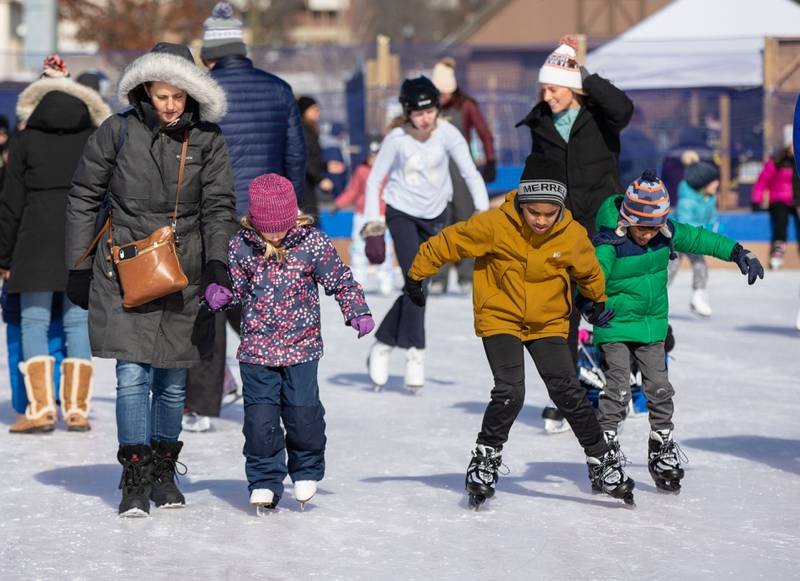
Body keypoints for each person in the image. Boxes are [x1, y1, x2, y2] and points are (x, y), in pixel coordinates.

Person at [65, 42, 237, 517]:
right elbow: (84, 195)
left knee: (174, 379)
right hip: (124, 265)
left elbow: (220, 206)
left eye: (178, 95)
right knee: (132, 373)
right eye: (162, 95)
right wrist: (77, 265)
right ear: (145, 89)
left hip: (186, 268)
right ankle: (136, 474)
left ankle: (163, 470)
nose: (170, 105)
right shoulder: (116, 132)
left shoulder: (208, 139)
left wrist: (219, 263)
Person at [403, 154, 634, 507]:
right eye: (534, 212)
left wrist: (597, 301)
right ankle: (485, 459)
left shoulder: (571, 234)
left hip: (548, 321)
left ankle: (601, 460)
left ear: (559, 207)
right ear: (522, 203)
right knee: (511, 391)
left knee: (568, 391)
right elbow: (447, 242)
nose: (541, 220)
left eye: (549, 213)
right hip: (500, 316)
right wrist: (417, 274)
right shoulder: (494, 225)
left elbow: (588, 270)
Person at [206, 173, 373, 511]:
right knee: (259, 420)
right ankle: (265, 479)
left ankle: (305, 469)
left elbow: (340, 280)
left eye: (280, 227)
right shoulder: (242, 245)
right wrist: (217, 294)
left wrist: (356, 310)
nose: (275, 235)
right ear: (254, 221)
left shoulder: (311, 243)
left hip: (301, 348)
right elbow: (234, 288)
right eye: (267, 228)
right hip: (256, 349)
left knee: (303, 416)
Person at [592, 170, 764, 493]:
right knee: (617, 388)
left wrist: (739, 252)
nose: (647, 235)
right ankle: (605, 450)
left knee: (659, 388)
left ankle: (661, 444)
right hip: (613, 324)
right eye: (642, 228)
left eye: (653, 227)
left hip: (652, 325)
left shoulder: (665, 233)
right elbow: (591, 276)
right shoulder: (610, 241)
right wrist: (589, 305)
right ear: (628, 218)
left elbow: (701, 239)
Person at [182, 1, 307, 433]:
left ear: (209, 52)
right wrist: (292, 215)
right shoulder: (278, 89)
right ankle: (280, 386)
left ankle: (201, 403)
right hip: (267, 215)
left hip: (212, 213)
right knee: (264, 301)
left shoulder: (199, 92)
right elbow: (296, 154)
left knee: (210, 306)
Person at [515, 35, 633, 429]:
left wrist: (581, 72)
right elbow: (536, 173)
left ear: (572, 87)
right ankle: (566, 396)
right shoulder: (541, 122)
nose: (547, 96)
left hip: (604, 227)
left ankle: (618, 385)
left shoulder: (600, 116)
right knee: (560, 314)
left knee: (606, 307)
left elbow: (624, 107)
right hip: (562, 230)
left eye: (553, 88)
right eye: (544, 89)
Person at [0, 58, 112, 433]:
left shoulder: (25, 140)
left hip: (31, 242)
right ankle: (77, 410)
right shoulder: (94, 138)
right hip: (80, 241)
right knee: (77, 322)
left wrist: (3, 255)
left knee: (32, 322)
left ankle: (40, 408)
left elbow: (10, 202)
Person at [362, 76, 489, 391]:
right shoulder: (396, 139)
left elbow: (469, 172)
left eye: (430, 110)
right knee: (415, 280)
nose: (425, 118)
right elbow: (374, 180)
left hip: (435, 216)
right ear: (407, 112)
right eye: (419, 113)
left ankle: (383, 342)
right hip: (401, 212)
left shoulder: (447, 134)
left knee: (419, 284)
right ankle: (415, 353)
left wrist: (483, 213)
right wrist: (374, 225)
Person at [429, 57, 496, 294]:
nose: (443, 98)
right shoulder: (430, 107)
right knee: (440, 222)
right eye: (439, 93)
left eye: (446, 93)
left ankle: (467, 274)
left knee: (466, 222)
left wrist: (490, 160)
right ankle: (439, 276)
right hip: (436, 168)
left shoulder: (466, 105)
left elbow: (485, 133)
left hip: (461, 169)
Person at [334, 137, 395, 296]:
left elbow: (395, 190)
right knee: (359, 248)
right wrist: (339, 204)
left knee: (384, 248)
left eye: (377, 156)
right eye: (371, 156)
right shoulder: (361, 171)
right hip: (362, 215)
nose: (374, 160)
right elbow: (353, 191)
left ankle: (385, 279)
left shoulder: (387, 172)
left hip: (382, 216)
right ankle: (358, 280)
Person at [668, 153, 722, 317]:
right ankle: (656, 297)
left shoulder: (709, 198)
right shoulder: (687, 201)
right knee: (670, 268)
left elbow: (712, 217)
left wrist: (715, 228)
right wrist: (705, 230)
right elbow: (686, 225)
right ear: (702, 183)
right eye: (714, 181)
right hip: (676, 239)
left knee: (700, 266)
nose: (717, 184)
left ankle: (698, 297)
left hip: (695, 239)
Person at [752, 125, 799, 271]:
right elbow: (762, 180)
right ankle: (777, 252)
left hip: (798, 200)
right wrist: (756, 200)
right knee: (781, 220)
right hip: (780, 199)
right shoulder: (777, 161)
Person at [297, 95, 344, 221]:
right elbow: (303, 160)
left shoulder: (310, 129)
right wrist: (320, 178)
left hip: (309, 181)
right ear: (304, 111)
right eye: (313, 109)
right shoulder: (302, 130)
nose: (317, 112)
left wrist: (326, 166)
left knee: (310, 217)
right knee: (308, 218)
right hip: (303, 183)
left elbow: (313, 158)